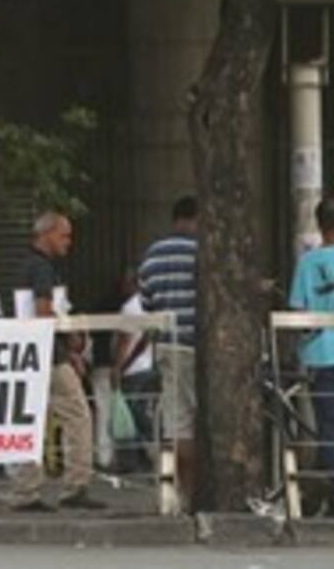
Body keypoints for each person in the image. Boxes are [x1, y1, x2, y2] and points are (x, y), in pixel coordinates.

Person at [9, 211, 104, 512]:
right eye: (64, 235)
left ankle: (25, 489)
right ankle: (76, 484)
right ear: (46, 234)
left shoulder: (28, 265)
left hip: (29, 354)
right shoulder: (42, 269)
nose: (68, 242)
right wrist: (70, 339)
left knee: (32, 420)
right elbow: (44, 312)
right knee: (78, 414)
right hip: (48, 355)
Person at [289, 197, 334, 517]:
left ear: (319, 224)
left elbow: (298, 310)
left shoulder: (308, 263)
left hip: (323, 354)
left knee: (330, 426)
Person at [138, 195, 199, 507]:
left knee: (177, 421)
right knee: (190, 424)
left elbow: (146, 305)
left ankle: (179, 492)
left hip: (167, 345)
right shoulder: (202, 252)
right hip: (197, 344)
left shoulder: (152, 256)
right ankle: (193, 492)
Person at [113, 270, 158, 473]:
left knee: (130, 416)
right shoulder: (148, 306)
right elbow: (149, 337)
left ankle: (131, 460)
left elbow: (125, 341)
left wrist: (119, 367)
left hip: (132, 370)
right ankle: (149, 455)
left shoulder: (129, 308)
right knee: (142, 411)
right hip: (148, 366)